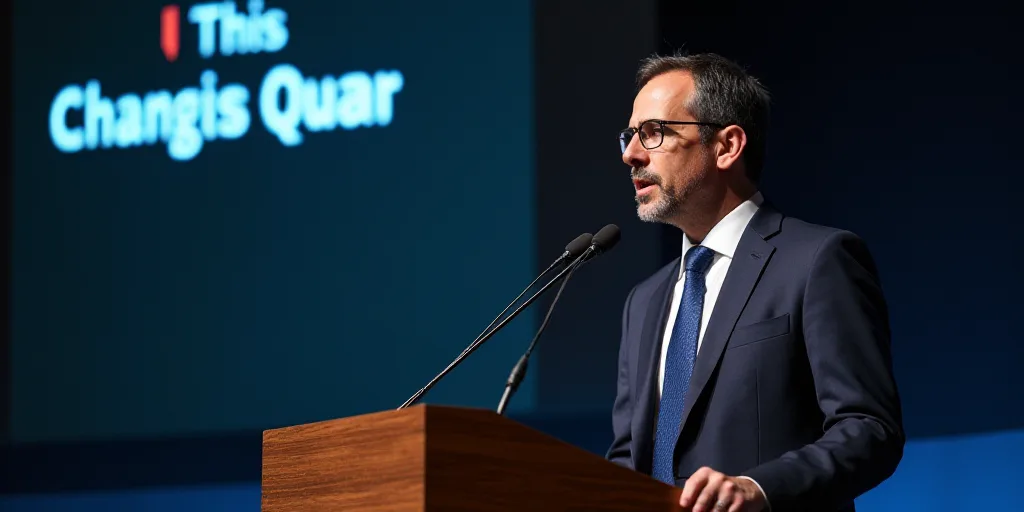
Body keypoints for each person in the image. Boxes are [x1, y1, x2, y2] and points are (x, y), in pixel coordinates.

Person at [606, 52, 904, 512]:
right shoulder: (643, 302)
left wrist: (758, 488)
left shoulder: (817, 260)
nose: (631, 154)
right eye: (630, 135)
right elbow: (628, 458)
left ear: (727, 146)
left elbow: (868, 428)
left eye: (654, 132)